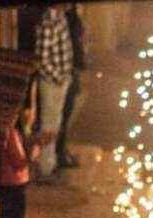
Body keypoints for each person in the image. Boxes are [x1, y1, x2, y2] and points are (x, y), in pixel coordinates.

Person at [34, 3, 75, 182]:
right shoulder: (48, 23)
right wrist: (59, 77)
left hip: (60, 80)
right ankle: (45, 168)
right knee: (49, 125)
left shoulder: (60, 18)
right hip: (52, 82)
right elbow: (41, 59)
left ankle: (50, 164)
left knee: (55, 123)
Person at [55, 3, 85, 170]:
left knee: (65, 116)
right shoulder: (65, 18)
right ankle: (58, 154)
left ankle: (61, 150)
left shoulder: (71, 16)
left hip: (71, 71)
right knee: (61, 116)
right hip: (65, 73)